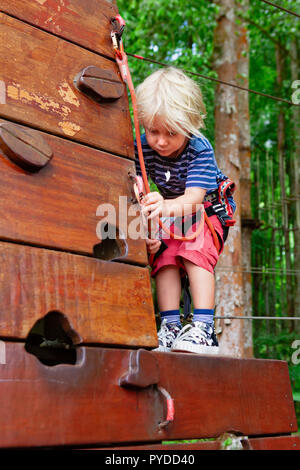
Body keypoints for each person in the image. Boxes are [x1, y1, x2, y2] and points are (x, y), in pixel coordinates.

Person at [134, 66, 236, 354]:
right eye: (153, 131)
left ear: (189, 126)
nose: (161, 141)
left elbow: (192, 199)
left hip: (206, 208)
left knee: (193, 252)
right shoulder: (142, 146)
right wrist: (147, 224)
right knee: (164, 258)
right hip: (170, 211)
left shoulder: (199, 149)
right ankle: (170, 326)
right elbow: (134, 179)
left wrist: (163, 206)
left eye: (171, 133)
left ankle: (203, 327)